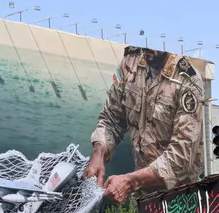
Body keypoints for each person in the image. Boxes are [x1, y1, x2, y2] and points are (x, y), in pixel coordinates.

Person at [84, 46, 205, 203]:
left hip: (181, 199)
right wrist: (98, 153)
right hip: (142, 195)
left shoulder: (188, 82)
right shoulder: (130, 63)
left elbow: (181, 158)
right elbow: (111, 118)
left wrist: (131, 182)